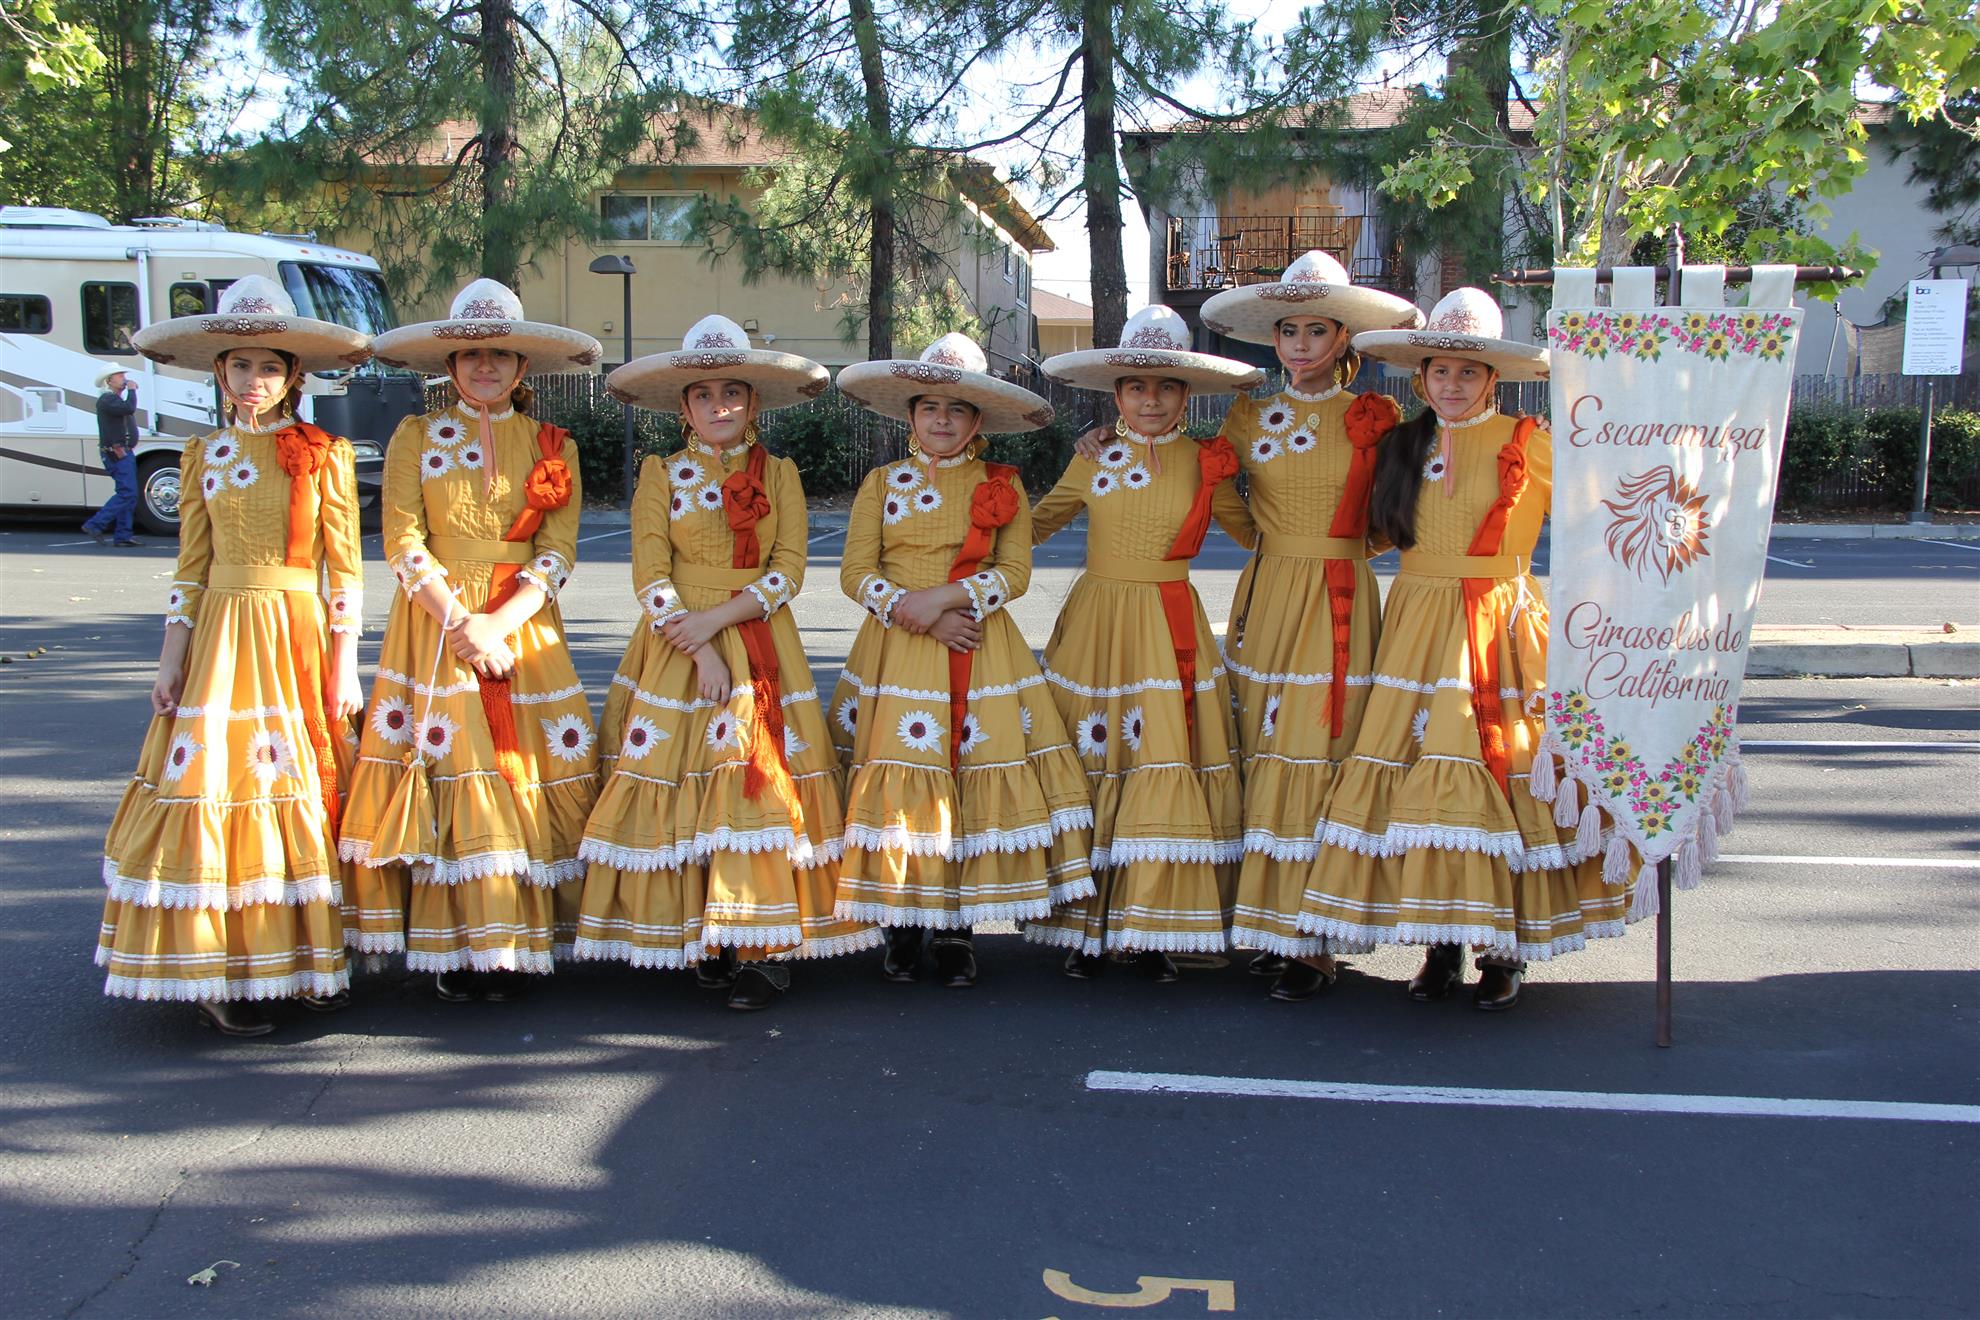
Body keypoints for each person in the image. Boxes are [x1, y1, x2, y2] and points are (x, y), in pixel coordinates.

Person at [1297, 288, 1629, 1011]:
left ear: (1492, 380)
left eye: (1467, 373)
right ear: (1421, 380)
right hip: (1417, 622)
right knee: (1418, 778)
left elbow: (1602, 508)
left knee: (1501, 765)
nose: (1452, 385)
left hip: (1499, 622)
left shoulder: (1531, 441)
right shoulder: (1402, 444)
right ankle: (1440, 943)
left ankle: (1506, 950)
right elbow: (1366, 524)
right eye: (1440, 372)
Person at [571, 314, 872, 1010]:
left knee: (751, 782)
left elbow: (789, 569)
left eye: (732, 392)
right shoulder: (661, 474)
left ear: (753, 402)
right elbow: (649, 570)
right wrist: (699, 642)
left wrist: (717, 621)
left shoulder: (783, 475)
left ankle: (758, 947)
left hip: (758, 637)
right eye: (703, 395)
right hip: (679, 648)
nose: (719, 407)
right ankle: (699, 933)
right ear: (684, 408)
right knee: (685, 784)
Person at [96, 275, 370, 1035]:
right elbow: (189, 567)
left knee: (301, 789)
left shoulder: (326, 454)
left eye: (270, 368)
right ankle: (215, 964)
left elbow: (343, 570)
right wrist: (168, 659)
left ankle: (308, 958)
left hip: (295, 631)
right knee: (217, 786)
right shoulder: (201, 454)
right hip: (220, 637)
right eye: (241, 366)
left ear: (294, 378)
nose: (255, 381)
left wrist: (346, 663)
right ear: (220, 373)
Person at [341, 279, 602, 1002]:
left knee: (519, 768)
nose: (484, 367)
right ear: (449, 366)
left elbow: (558, 550)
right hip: (435, 624)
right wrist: (461, 623)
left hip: (521, 623)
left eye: (500, 355)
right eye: (470, 354)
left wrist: (499, 623)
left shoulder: (555, 444)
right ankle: (453, 943)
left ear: (522, 370)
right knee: (453, 765)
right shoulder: (415, 436)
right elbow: (401, 539)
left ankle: (515, 939)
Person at [1183, 250, 1422, 1002]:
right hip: (1267, 591)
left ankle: (1315, 936)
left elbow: (1397, 514)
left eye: (1317, 331)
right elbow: (1227, 506)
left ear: (1344, 339)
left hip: (1338, 594)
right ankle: (1266, 922)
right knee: (1260, 747)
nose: (1300, 345)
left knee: (1320, 751)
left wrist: (1344, 550)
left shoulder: (1375, 418)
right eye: (1289, 331)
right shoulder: (1247, 413)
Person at [830, 334, 1096, 987]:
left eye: (957, 409)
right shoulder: (882, 483)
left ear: (979, 419)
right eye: (929, 407)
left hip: (976, 646)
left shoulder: (1001, 482)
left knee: (967, 778)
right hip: (897, 651)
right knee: (907, 779)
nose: (942, 420)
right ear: (911, 415)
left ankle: (956, 928)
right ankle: (903, 922)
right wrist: (908, 610)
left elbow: (1015, 571)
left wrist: (944, 604)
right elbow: (854, 571)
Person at [1025, 306, 1263, 980]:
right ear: (1115, 394)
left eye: (1164, 387)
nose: (1149, 399)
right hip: (1096, 627)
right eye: (1134, 386)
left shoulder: (1208, 460)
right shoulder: (1093, 455)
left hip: (1168, 628)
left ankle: (1150, 926)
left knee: (1161, 761)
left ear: (1185, 394)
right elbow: (1036, 526)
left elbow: (1256, 533)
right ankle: (1083, 924)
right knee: (1090, 761)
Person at [83, 368, 142, 546]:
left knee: (129, 494)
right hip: (117, 453)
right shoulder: (107, 400)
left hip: (122, 452)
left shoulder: (113, 400)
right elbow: (129, 408)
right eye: (120, 376)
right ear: (109, 381)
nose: (124, 379)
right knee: (127, 492)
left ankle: (123, 535)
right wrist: (132, 390)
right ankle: (95, 524)